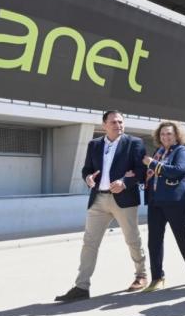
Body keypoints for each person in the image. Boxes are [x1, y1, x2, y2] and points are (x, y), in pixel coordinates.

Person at [55, 110, 147, 302]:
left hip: (124, 199)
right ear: (104, 125)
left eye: (121, 122)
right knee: (89, 243)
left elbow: (141, 171)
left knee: (132, 239)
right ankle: (82, 286)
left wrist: (124, 182)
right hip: (98, 199)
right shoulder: (94, 145)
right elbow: (87, 169)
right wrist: (87, 178)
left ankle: (141, 275)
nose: (118, 125)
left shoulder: (134, 143)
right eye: (113, 122)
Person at [141, 121, 185, 291]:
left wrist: (152, 164)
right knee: (154, 240)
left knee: (181, 235)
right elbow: (152, 173)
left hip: (176, 200)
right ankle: (157, 278)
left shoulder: (182, 151)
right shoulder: (159, 152)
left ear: (176, 135)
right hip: (155, 200)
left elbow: (178, 169)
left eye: (169, 133)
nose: (165, 137)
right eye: (162, 134)